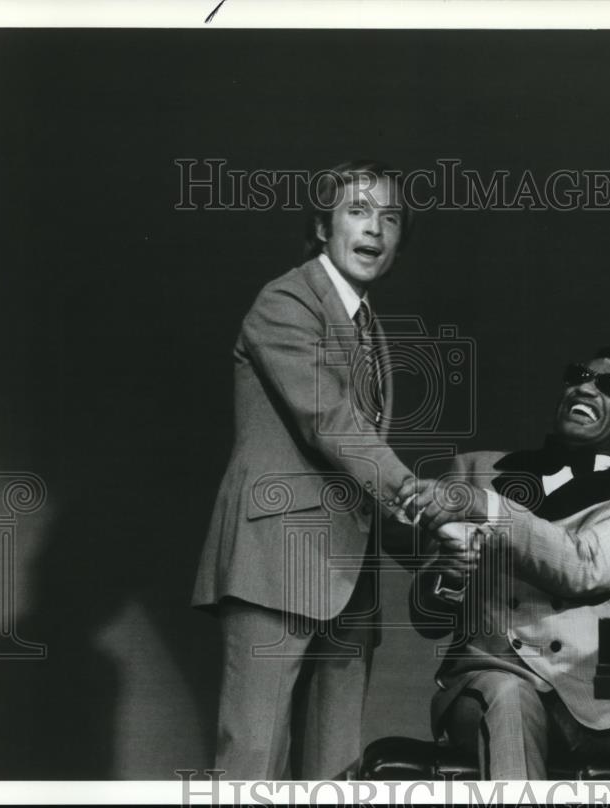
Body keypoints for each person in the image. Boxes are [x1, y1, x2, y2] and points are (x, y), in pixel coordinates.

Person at [192, 160, 416, 779]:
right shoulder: (286, 300)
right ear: (322, 226)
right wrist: (419, 497)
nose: (376, 229)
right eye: (358, 211)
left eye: (391, 217)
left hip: (350, 576)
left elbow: (356, 469)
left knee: (337, 771)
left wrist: (432, 541)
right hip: (276, 560)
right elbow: (333, 426)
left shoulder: (368, 324)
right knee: (254, 765)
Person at [402, 347, 610, 779]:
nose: (584, 386)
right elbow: (426, 620)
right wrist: (445, 577)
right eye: (578, 375)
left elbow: (583, 567)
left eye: (609, 385)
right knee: (508, 700)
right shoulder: (472, 469)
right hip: (490, 679)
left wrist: (485, 507)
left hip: (602, 705)